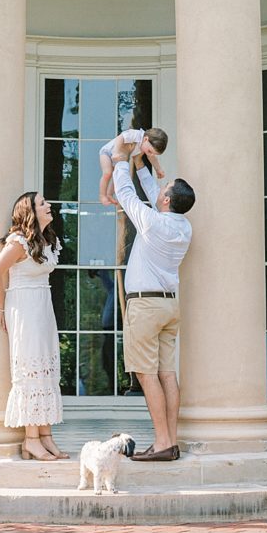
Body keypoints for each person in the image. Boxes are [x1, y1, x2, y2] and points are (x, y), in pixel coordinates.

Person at [111, 147, 195, 462]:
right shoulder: (182, 227)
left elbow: (126, 194)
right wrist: (142, 165)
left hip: (145, 307)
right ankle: (170, 440)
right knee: (167, 374)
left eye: (164, 190)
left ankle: (161, 443)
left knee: (146, 375)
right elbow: (153, 195)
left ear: (166, 201)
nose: (160, 191)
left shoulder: (153, 223)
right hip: (170, 307)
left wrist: (121, 161)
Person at [0, 191, 68, 461]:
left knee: (45, 368)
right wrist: (1, 308)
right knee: (31, 370)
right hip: (23, 307)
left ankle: (46, 436)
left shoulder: (46, 241)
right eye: (43, 203)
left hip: (42, 306)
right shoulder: (18, 242)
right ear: (31, 210)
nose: (49, 205)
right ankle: (30, 440)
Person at [99, 126, 168, 206]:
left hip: (117, 159)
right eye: (150, 151)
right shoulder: (136, 135)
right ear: (146, 139)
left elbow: (152, 158)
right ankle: (102, 195)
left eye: (153, 153)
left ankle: (109, 195)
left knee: (116, 177)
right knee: (107, 173)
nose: (151, 154)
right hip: (107, 152)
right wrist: (116, 152)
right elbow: (120, 137)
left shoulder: (145, 145)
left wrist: (158, 169)